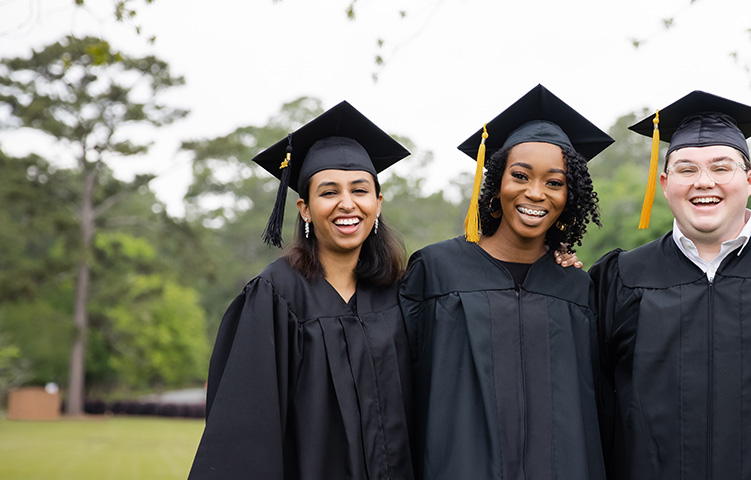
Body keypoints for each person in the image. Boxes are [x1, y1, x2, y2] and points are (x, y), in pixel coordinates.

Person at [589, 91, 751, 479]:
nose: (704, 182)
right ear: (665, 183)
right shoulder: (621, 278)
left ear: (750, 180)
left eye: (721, 167)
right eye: (686, 169)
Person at [189, 102, 415, 480]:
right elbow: (244, 435)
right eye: (328, 192)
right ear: (305, 208)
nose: (347, 203)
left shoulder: (402, 294)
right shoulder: (274, 297)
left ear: (377, 203)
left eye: (360, 190)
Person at [399, 85, 611, 480]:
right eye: (520, 175)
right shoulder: (436, 271)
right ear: (496, 182)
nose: (535, 192)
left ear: (571, 196)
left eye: (554, 182)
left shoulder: (576, 289)